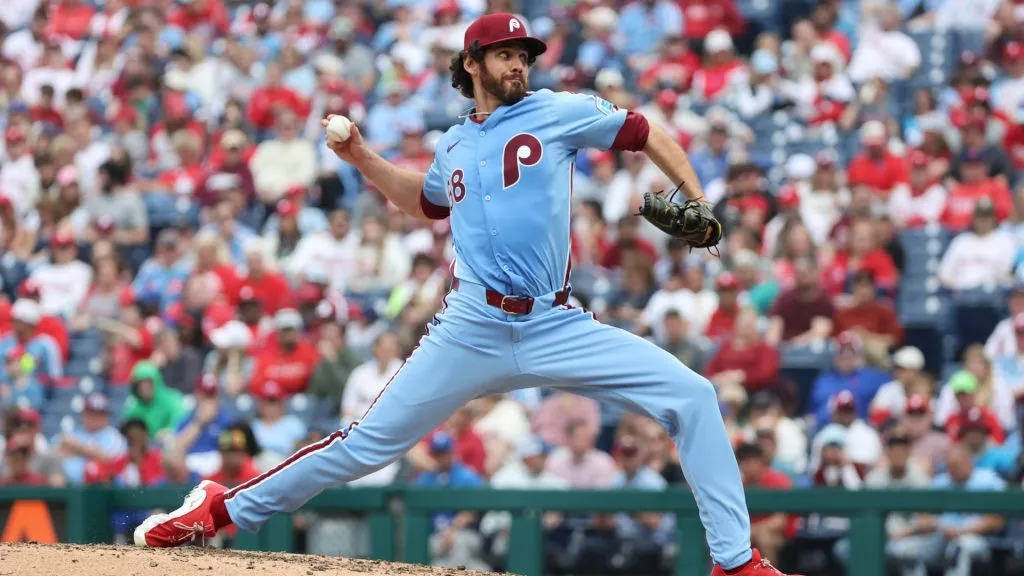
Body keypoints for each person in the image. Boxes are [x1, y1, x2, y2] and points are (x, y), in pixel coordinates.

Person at [135, 14, 794, 576]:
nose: (520, 65)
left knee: (694, 395)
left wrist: (697, 200)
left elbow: (646, 131)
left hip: (555, 324)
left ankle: (734, 562)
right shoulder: (453, 142)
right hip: (471, 327)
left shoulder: (558, 111)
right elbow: (421, 202)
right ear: (473, 63)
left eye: (525, 55)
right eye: (506, 54)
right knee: (364, 446)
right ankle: (219, 509)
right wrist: (363, 157)